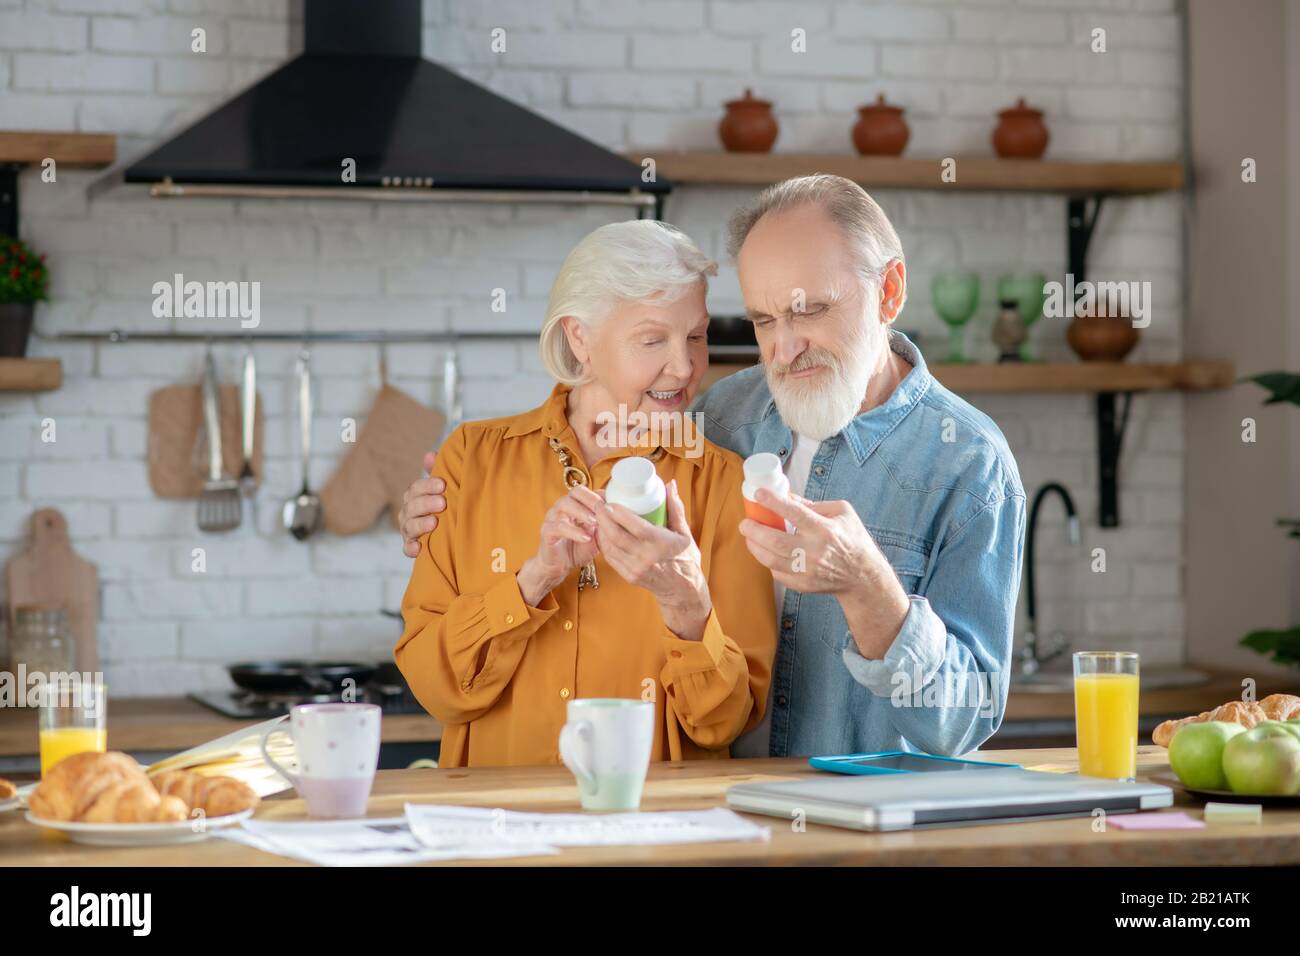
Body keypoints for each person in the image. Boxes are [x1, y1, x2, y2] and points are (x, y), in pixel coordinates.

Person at [400, 175, 1025, 759]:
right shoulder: (720, 416)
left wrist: (869, 588)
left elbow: (965, 717)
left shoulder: (970, 465)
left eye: (808, 310)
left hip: (864, 829)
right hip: (732, 824)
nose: (783, 347)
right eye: (763, 320)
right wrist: (452, 510)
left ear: (888, 291)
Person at [395, 220, 775, 768]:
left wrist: (685, 607)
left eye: (695, 335)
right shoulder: (472, 459)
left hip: (652, 835)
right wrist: (532, 582)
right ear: (580, 338)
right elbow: (436, 689)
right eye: (652, 339)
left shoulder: (720, 484)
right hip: (498, 832)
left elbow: (724, 722)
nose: (685, 365)